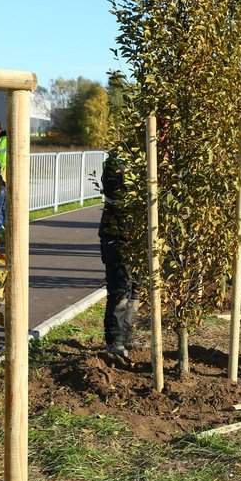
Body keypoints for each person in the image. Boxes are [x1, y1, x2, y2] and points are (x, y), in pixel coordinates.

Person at [99, 150, 138, 357]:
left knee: (135, 288)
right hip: (117, 235)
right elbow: (113, 190)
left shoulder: (141, 156)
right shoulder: (117, 162)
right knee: (120, 287)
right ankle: (114, 340)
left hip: (136, 236)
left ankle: (126, 337)